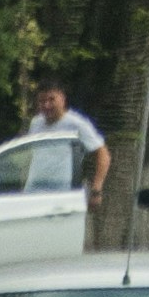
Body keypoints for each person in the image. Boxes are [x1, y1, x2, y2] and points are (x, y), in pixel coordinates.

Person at [27, 81, 109, 214]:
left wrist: (96, 189)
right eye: (42, 101)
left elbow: (102, 153)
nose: (46, 105)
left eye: (51, 100)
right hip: (34, 193)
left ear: (62, 98)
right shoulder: (36, 123)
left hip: (62, 196)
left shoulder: (76, 124)